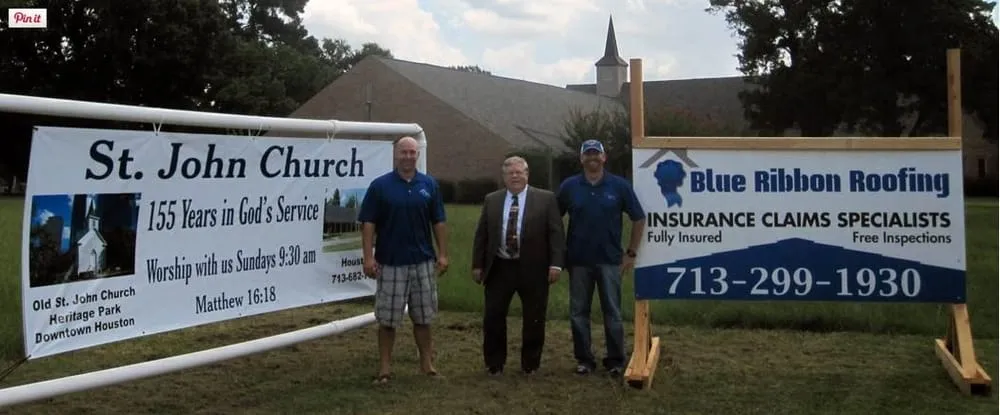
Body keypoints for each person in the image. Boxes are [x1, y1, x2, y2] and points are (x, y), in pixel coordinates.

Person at [358, 136, 449, 385]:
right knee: (387, 321)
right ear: (395, 154)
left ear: (417, 154)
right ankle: (385, 370)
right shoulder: (380, 186)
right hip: (390, 262)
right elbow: (368, 224)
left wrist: (442, 254)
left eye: (412, 152)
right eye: (403, 152)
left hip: (423, 262)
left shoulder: (429, 184)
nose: (408, 156)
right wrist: (368, 257)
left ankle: (427, 365)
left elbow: (438, 221)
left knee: (424, 318)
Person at [556, 139, 645, 377]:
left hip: (610, 261)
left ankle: (615, 360)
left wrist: (631, 253)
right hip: (578, 261)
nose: (592, 158)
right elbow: (554, 220)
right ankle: (584, 360)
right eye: (588, 154)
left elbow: (638, 218)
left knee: (613, 312)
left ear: (604, 158)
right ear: (581, 158)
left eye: (597, 154)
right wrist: (558, 253)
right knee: (578, 312)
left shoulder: (619, 186)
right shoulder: (569, 186)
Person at [472, 156, 565, 376]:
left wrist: (556, 264)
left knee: (534, 317)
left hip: (534, 268)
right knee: (493, 316)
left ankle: (530, 364)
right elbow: (481, 234)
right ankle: (494, 363)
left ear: (527, 174)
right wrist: (478, 264)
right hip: (500, 267)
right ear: (504, 176)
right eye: (510, 173)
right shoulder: (492, 200)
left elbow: (556, 234)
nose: (515, 176)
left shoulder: (546, 199)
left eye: (519, 172)